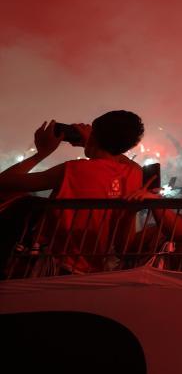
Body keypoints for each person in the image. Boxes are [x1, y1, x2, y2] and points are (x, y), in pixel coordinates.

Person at [0, 113, 145, 275]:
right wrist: (94, 143)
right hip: (95, 268)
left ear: (94, 137)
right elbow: (121, 159)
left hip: (55, 266)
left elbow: (4, 182)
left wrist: (41, 153)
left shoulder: (72, 169)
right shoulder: (134, 174)